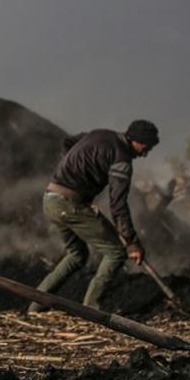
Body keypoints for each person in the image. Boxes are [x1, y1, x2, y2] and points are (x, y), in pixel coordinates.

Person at [29, 120, 159, 313]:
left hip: (50, 199)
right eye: (145, 147)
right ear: (135, 140)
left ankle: (35, 308)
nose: (145, 153)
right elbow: (118, 205)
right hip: (69, 205)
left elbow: (68, 143)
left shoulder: (99, 133)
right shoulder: (122, 161)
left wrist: (72, 172)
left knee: (77, 255)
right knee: (116, 252)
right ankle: (91, 311)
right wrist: (132, 243)